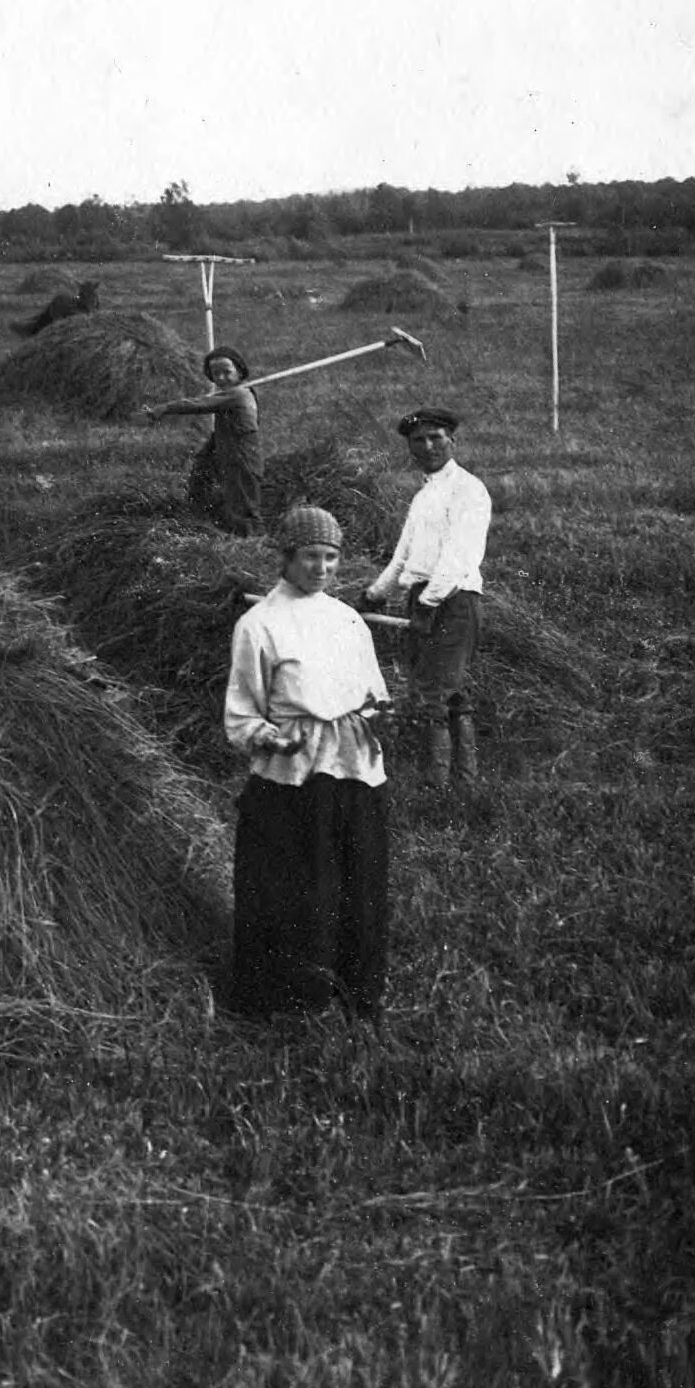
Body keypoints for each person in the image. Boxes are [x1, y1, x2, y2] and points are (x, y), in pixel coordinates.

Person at [222, 505, 393, 1024]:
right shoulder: (259, 625)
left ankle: (356, 993)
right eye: (311, 557)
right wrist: (270, 739)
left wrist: (384, 717)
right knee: (297, 885)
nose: (322, 569)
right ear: (287, 558)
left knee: (358, 879)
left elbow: (374, 693)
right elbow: (240, 712)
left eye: (332, 558)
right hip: (293, 776)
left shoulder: (347, 620)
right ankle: (291, 1000)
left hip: (356, 767)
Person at [363, 406, 493, 787]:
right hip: (425, 597)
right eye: (418, 440)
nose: (428, 445)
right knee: (445, 691)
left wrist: (428, 602)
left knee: (430, 694)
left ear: (453, 440)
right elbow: (403, 556)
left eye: (436, 437)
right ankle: (463, 782)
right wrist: (373, 595)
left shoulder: (468, 489)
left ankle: (437, 788)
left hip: (454, 601)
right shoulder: (424, 496)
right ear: (410, 448)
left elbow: (459, 557)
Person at [143, 346, 262, 536]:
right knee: (225, 495)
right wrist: (204, 455)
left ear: (239, 371)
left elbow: (200, 404)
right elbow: (222, 433)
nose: (221, 378)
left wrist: (165, 408)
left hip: (243, 462)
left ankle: (255, 543)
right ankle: (210, 521)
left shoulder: (238, 395)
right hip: (231, 458)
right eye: (216, 373)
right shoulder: (234, 395)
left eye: (226, 372)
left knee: (245, 506)